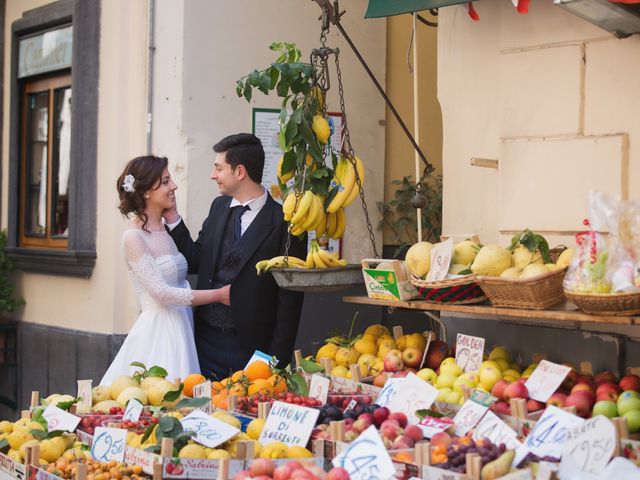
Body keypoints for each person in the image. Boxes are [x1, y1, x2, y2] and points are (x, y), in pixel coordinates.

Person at [164, 133, 305, 380]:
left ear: (239, 172)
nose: (212, 174)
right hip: (204, 342)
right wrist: (173, 218)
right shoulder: (218, 208)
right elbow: (197, 260)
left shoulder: (287, 223)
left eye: (218, 168)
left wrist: (275, 361)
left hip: (252, 349)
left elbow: (290, 300)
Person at [101, 156, 230, 385]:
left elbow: (190, 262)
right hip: (159, 332)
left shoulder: (164, 228)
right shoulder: (134, 237)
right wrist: (218, 295)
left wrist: (173, 218)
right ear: (146, 192)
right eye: (165, 181)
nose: (174, 186)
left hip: (183, 324)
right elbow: (163, 293)